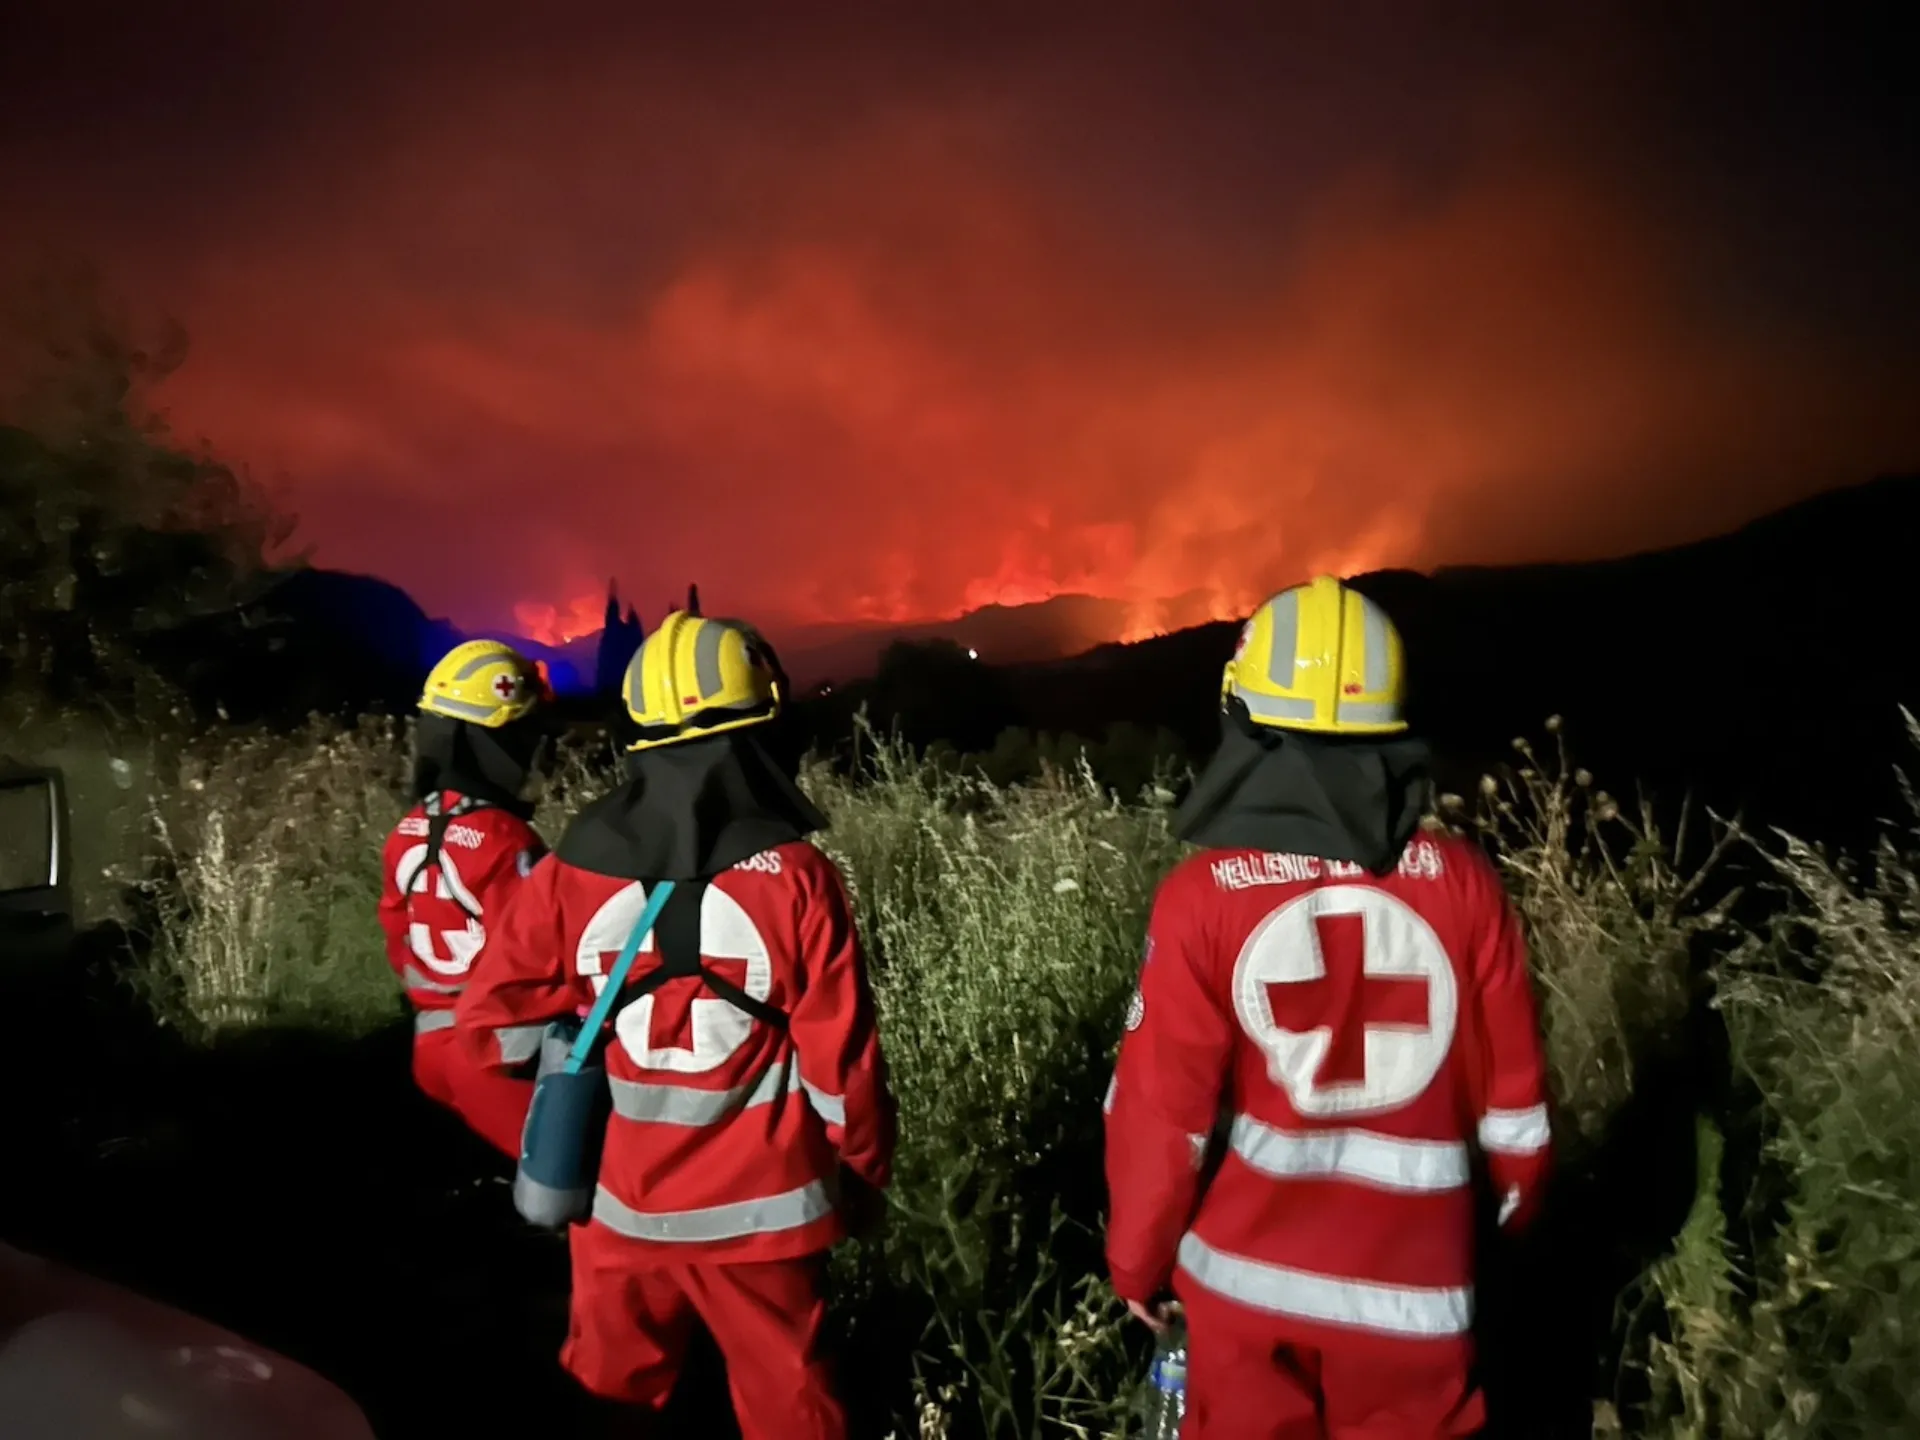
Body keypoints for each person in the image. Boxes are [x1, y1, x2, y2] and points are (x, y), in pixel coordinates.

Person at [1103, 574, 1552, 1439]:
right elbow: (1517, 1113)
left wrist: (1137, 1263)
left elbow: (1163, 1118)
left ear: (1247, 721)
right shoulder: (1464, 883)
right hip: (1421, 1309)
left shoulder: (1202, 898)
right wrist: (1506, 1235)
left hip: (1242, 1306)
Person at [454, 610, 894, 1440]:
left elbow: (489, 1033)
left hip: (619, 1210)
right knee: (791, 1403)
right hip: (768, 1216)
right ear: (762, 730)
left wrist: (581, 1023)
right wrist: (864, 1179)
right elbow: (844, 1069)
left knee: (607, 1399)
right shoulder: (800, 878)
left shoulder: (569, 867)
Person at [377, 638, 554, 1158]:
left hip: (430, 1048)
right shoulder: (507, 840)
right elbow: (541, 952)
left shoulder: (407, 829)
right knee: (581, 1182)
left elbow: (396, 934)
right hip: (499, 1057)